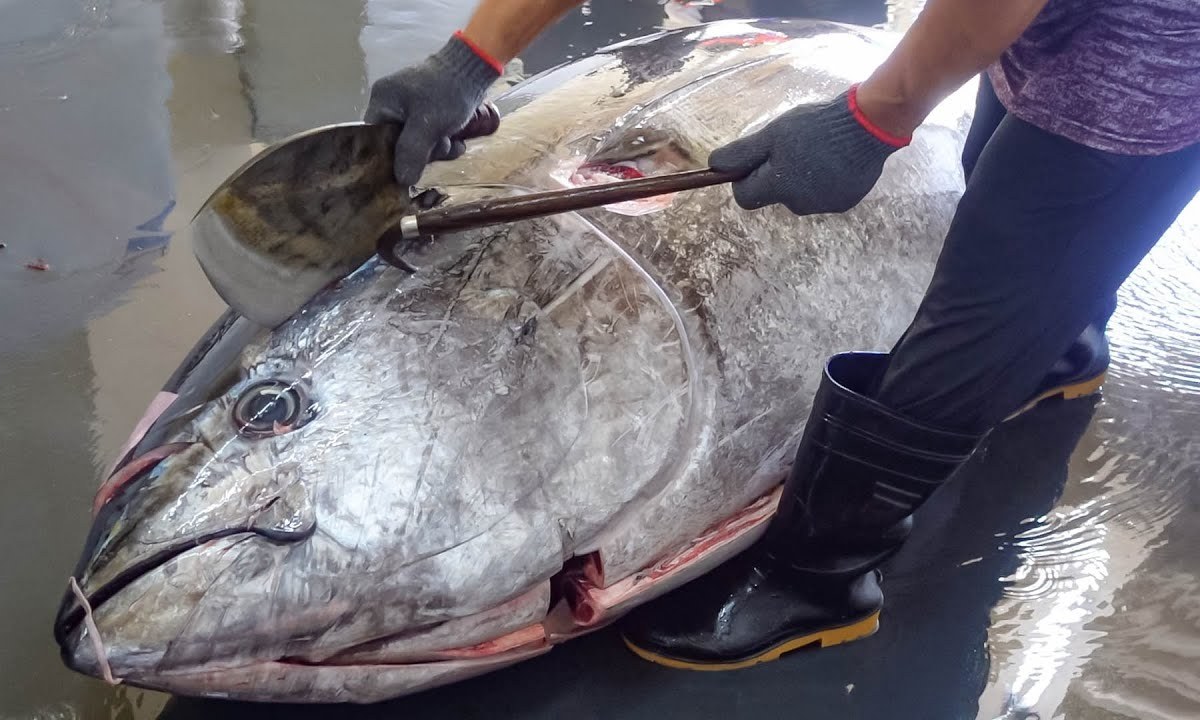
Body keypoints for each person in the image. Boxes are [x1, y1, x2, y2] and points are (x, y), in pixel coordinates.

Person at [364, 0, 1200, 670]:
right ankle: (1059, 344)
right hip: (1066, 30)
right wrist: (469, 60)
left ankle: (820, 580)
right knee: (1005, 187)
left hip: (1150, 69)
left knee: (984, 304)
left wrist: (874, 120)